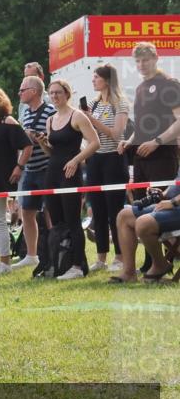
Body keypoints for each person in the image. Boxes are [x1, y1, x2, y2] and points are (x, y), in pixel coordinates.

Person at [36, 79, 100, 280]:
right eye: (51, 93)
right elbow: (52, 152)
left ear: (67, 94)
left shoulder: (77, 115)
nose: (54, 96)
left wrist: (77, 160)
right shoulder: (50, 120)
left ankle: (78, 265)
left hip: (70, 173)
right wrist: (43, 144)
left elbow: (95, 142)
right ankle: (62, 261)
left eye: (58, 92)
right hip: (52, 172)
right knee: (57, 222)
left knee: (73, 220)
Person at [0, 87, 33, 274]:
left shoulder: (8, 121)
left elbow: (27, 145)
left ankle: (5, 262)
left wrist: (19, 167)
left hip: (1, 176)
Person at [83, 65, 131, 272]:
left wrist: (91, 120)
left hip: (113, 158)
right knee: (98, 212)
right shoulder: (93, 104)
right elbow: (90, 135)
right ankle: (101, 258)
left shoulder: (120, 102)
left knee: (115, 211)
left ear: (107, 80)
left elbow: (116, 133)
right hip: (95, 159)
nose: (93, 80)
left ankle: (120, 256)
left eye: (96, 77)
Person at [11, 75, 57, 270]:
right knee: (27, 212)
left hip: (46, 168)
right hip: (30, 168)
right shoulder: (25, 114)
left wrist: (40, 139)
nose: (19, 93)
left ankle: (55, 250)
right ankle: (32, 254)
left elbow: (56, 140)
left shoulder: (50, 111)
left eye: (23, 90)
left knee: (51, 211)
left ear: (34, 91)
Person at [119, 43, 180, 185]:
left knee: (159, 206)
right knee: (139, 205)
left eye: (145, 60)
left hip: (162, 156)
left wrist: (156, 142)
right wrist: (130, 141)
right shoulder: (140, 87)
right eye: (137, 61)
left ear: (156, 58)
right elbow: (142, 125)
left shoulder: (169, 83)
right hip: (139, 158)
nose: (141, 64)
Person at [110, 184, 180, 283]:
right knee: (124, 216)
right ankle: (128, 273)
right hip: (173, 205)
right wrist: (162, 194)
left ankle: (160, 264)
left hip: (176, 206)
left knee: (143, 223)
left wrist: (173, 202)